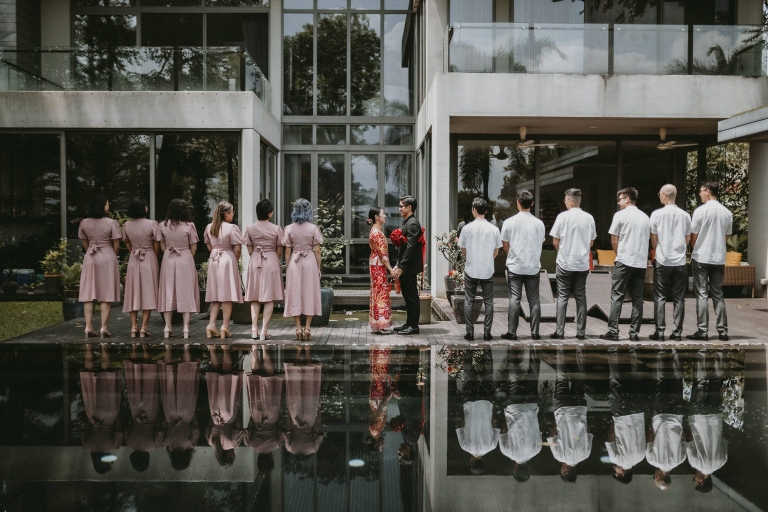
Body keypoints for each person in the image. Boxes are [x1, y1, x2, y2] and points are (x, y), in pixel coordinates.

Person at [600, 187, 650, 341]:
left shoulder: (620, 215)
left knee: (617, 296)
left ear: (628, 199)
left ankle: (613, 332)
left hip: (624, 260)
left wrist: (619, 254)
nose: (618, 202)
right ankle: (634, 333)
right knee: (637, 298)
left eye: (620, 199)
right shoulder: (645, 218)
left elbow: (614, 239)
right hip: (640, 262)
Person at [687, 181, 733, 341]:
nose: (699, 194)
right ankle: (723, 331)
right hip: (718, 258)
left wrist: (696, 246)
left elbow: (693, 235)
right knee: (718, 294)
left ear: (707, 191)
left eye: (700, 191)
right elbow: (726, 236)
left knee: (701, 294)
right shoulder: (727, 213)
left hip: (701, 256)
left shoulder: (700, 211)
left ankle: (703, 331)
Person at [549, 189, 596, 340]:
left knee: (562, 296)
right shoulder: (589, 218)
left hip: (564, 262)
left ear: (569, 200)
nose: (565, 202)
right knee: (580, 296)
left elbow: (555, 241)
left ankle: (559, 331)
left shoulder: (562, 217)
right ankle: (581, 332)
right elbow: (591, 242)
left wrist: (563, 251)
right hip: (582, 264)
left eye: (565, 200)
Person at [500, 190, 545, 340]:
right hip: (533, 266)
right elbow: (540, 243)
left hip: (515, 266)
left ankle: (512, 333)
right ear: (532, 204)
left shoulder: (509, 222)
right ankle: (535, 333)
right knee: (534, 300)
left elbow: (505, 245)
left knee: (514, 299)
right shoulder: (539, 224)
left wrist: (513, 256)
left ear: (517, 203)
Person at [649, 184, 691, 341]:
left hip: (662, 259)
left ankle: (659, 332)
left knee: (659, 296)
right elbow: (687, 239)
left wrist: (657, 250)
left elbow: (653, 238)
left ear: (665, 195)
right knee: (679, 297)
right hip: (679, 261)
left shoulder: (656, 215)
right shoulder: (685, 215)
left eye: (660, 193)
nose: (659, 196)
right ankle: (677, 332)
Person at [458, 197, 502, 341]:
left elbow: (463, 250)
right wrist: (488, 259)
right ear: (486, 211)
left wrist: (472, 257)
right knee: (489, 301)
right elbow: (496, 251)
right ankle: (487, 333)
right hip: (487, 269)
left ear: (474, 210)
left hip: (471, 268)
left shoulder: (466, 228)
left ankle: (470, 332)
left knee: (469, 300)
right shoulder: (494, 229)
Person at [646, 347, 689, 491]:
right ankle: (660, 351)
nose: (654, 476)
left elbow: (683, 436)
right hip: (659, 415)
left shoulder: (681, 459)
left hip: (677, 415)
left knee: (677, 381)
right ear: (659, 477)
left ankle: (677, 351)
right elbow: (650, 436)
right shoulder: (652, 460)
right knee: (660, 381)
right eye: (654, 478)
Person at [78, 196, 121, 338]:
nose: (109, 206)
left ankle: (88, 327)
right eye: (108, 204)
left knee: (88, 294)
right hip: (107, 256)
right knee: (106, 294)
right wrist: (109, 254)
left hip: (90, 256)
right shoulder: (111, 223)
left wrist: (92, 249)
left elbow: (84, 244)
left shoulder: (84, 223)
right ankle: (103, 328)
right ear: (102, 206)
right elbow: (116, 245)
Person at [156, 199, 199, 339]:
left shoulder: (162, 225)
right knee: (185, 291)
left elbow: (162, 247)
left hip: (168, 258)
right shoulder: (189, 225)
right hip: (185, 258)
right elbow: (194, 247)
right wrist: (185, 256)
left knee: (168, 292)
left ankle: (167, 327)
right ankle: (186, 328)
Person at [498, 346, 542, 482]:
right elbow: (503, 430)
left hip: (530, 407)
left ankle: (536, 346)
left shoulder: (536, 451)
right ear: (515, 469)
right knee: (514, 377)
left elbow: (538, 431)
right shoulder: (507, 452)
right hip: (514, 409)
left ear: (528, 469)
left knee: (533, 375)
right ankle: (512, 346)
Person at [687, 348, 728, 492]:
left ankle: (721, 352)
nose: (694, 479)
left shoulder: (722, 461)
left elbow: (723, 438)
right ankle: (702, 352)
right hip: (697, 418)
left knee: (716, 382)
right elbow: (690, 438)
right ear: (703, 481)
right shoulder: (695, 463)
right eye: (696, 481)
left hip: (715, 418)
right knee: (699, 382)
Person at [548, 346, 592, 482]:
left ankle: (580, 350)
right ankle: (560, 349)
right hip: (563, 410)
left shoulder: (585, 454)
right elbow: (553, 433)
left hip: (579, 410)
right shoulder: (559, 456)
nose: (561, 468)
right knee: (561, 379)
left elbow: (588, 430)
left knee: (579, 380)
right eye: (561, 470)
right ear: (566, 471)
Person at [244, 199, 284, 341]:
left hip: (255, 260)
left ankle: (254, 329)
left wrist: (256, 255)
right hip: (271, 260)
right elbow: (279, 251)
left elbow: (249, 249)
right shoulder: (276, 229)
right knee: (268, 298)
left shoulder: (250, 228)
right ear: (269, 213)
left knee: (254, 298)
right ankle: (263, 331)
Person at [605, 347, 646, 484]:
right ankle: (613, 350)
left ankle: (634, 350)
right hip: (621, 416)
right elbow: (611, 438)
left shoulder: (641, 457)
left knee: (636, 379)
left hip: (638, 413)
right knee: (615, 380)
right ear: (622, 473)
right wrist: (613, 422)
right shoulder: (616, 459)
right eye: (615, 472)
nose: (614, 468)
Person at [80, 343, 123, 473]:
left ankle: (104, 347)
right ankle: (88, 347)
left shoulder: (113, 447)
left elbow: (119, 427)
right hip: (92, 414)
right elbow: (86, 426)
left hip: (110, 414)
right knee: (88, 376)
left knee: (106, 376)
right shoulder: (87, 446)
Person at [204, 201, 244, 340]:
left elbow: (209, 246)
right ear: (226, 213)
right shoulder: (232, 228)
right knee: (227, 295)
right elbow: (238, 249)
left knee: (216, 296)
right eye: (232, 212)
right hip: (227, 259)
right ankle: (225, 326)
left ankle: (211, 325)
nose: (233, 214)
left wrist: (216, 251)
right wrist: (234, 259)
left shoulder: (209, 227)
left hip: (214, 260)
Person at [122, 197, 160, 338]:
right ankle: (144, 327)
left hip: (134, 258)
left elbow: (127, 245)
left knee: (132, 292)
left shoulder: (126, 225)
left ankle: (133, 327)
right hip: (148, 257)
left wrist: (135, 251)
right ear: (144, 208)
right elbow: (156, 246)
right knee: (148, 292)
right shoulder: (152, 224)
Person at [455, 349, 498, 475]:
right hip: (470, 406)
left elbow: (494, 424)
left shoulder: (492, 446)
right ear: (471, 462)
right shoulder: (465, 447)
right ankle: (469, 349)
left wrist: (490, 414)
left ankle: (487, 349)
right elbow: (461, 425)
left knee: (488, 377)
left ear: (484, 462)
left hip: (485, 406)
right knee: (469, 377)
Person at [159, 343, 200, 471]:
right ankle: (168, 347)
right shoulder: (166, 445)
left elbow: (196, 426)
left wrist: (192, 411)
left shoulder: (191, 444)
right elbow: (162, 427)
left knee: (186, 379)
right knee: (169, 379)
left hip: (187, 412)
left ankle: (186, 346)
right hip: (170, 413)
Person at [124, 344, 163, 472]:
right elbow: (128, 425)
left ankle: (146, 349)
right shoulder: (130, 443)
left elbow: (160, 430)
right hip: (136, 411)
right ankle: (135, 348)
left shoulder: (153, 446)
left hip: (151, 414)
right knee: (135, 384)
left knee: (150, 384)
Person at [206, 344, 246, 468]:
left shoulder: (233, 444)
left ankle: (225, 348)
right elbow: (208, 425)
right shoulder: (211, 442)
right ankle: (212, 348)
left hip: (229, 414)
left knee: (227, 376)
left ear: (228, 456)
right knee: (216, 374)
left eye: (233, 457)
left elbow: (239, 424)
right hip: (214, 412)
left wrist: (237, 410)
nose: (234, 455)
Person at [392, 195, 424, 336]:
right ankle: (409, 323)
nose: (399, 209)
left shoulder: (413, 223)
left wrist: (401, 267)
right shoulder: (408, 222)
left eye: (401, 206)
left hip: (410, 267)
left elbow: (410, 248)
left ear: (409, 207)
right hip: (407, 266)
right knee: (407, 295)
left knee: (411, 296)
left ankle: (414, 326)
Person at [283, 349, 324, 456]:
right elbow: (288, 427)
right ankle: (298, 351)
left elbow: (318, 426)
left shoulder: (313, 449)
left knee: (311, 386)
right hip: (295, 417)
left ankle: (307, 351)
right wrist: (288, 411)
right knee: (294, 386)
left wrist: (318, 410)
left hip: (310, 418)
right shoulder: (290, 448)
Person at [246, 345, 284, 455]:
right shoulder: (251, 444)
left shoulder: (276, 444)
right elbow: (249, 427)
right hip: (256, 416)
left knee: (270, 378)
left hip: (272, 416)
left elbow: (280, 429)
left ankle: (264, 349)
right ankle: (254, 351)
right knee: (255, 377)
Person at [367, 207, 394, 333]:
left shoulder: (374, 231)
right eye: (383, 214)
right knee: (380, 292)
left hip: (375, 264)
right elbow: (383, 255)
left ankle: (378, 323)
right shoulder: (377, 233)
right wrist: (390, 269)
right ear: (376, 217)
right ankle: (381, 323)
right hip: (378, 265)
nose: (385, 216)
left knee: (377, 291)